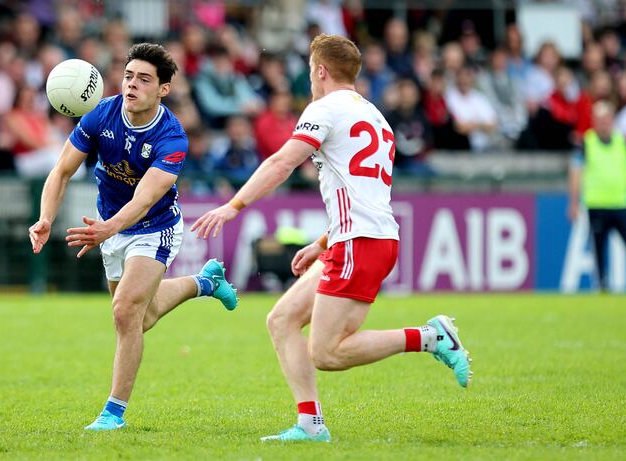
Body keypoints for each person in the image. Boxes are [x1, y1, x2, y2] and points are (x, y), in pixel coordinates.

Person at [192, 34, 472, 443]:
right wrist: (324, 242)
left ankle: (430, 337)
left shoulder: (324, 108)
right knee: (282, 320)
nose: (309, 77)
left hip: (361, 243)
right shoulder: (376, 117)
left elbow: (282, 161)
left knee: (326, 352)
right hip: (359, 237)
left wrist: (233, 205)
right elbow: (364, 193)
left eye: (310, 69)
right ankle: (310, 424)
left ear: (320, 71)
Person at [28, 43, 239, 432]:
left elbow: (144, 200)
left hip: (154, 227)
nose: (132, 85)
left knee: (125, 312)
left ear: (162, 89)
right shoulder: (100, 114)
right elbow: (60, 172)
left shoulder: (172, 137)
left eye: (144, 79)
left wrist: (109, 228)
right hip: (109, 227)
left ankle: (113, 414)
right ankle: (204, 282)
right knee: (142, 317)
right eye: (128, 76)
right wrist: (45, 218)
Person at [568, 101, 626, 291]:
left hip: (621, 203)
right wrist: (573, 202)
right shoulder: (586, 143)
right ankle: (602, 283)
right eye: (600, 119)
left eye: (607, 118)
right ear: (594, 121)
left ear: (612, 120)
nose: (604, 123)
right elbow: (576, 173)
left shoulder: (623, 143)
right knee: (599, 248)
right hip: (597, 204)